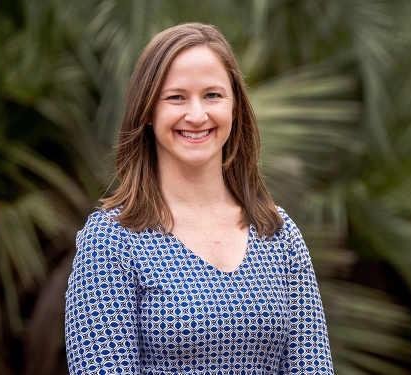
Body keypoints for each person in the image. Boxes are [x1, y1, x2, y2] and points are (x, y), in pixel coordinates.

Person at [65, 22, 333, 375]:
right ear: (148, 111)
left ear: (235, 107)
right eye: (176, 97)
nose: (196, 115)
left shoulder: (277, 234)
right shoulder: (111, 240)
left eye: (212, 95)